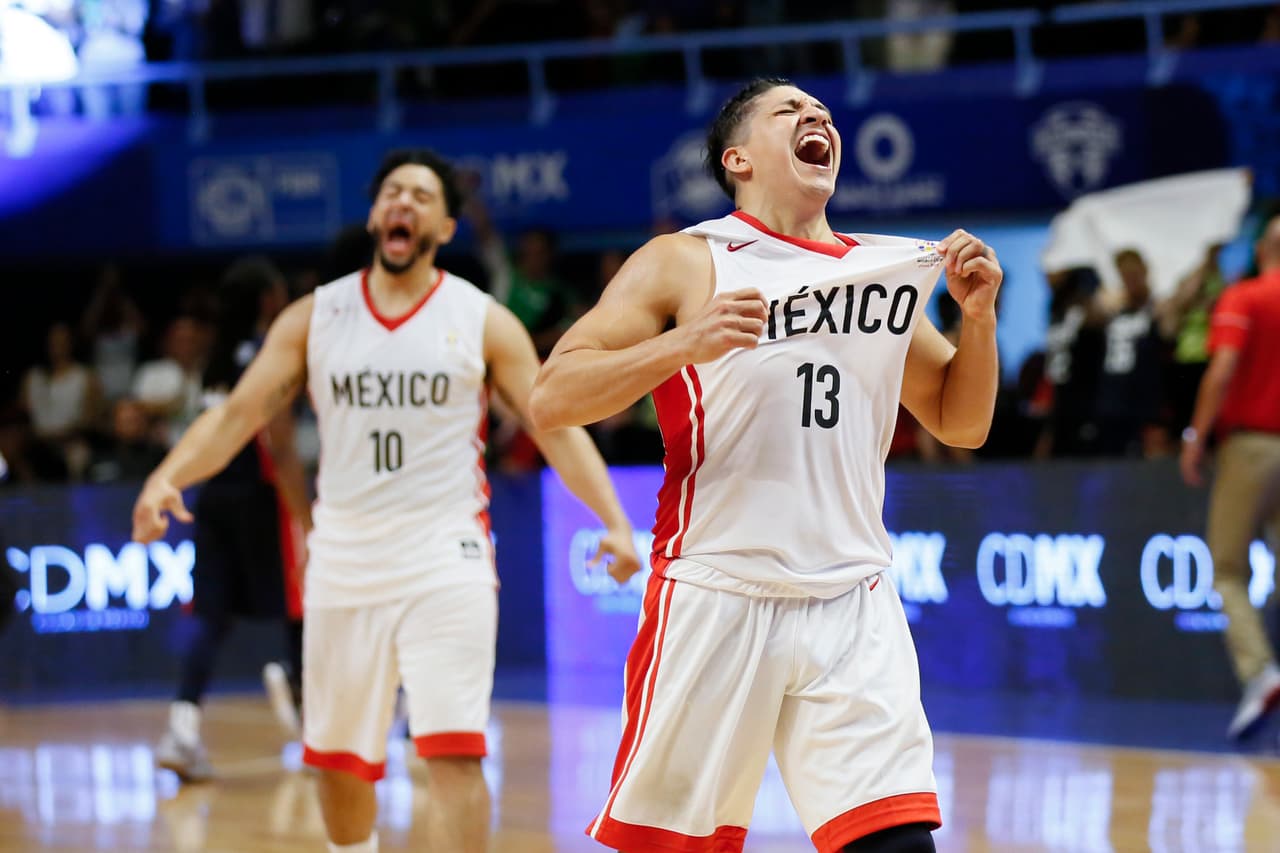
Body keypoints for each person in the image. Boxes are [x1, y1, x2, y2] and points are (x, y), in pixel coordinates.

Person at [530, 78, 1002, 853]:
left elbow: (963, 421)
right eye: (789, 110)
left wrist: (977, 321)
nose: (816, 117)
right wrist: (683, 343)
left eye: (823, 112)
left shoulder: (879, 272)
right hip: (717, 591)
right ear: (738, 158)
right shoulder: (686, 261)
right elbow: (552, 396)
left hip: (851, 599)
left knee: (896, 844)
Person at [132, 148, 640, 853]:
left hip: (447, 555)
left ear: (446, 227)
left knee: (455, 753)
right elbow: (238, 415)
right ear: (374, 216)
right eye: (393, 192)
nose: (404, 202)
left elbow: (552, 425)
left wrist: (613, 519)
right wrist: (168, 475)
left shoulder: (482, 319)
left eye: (422, 196)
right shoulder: (315, 317)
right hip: (345, 559)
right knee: (339, 766)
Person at [152, 256, 311, 783]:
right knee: (301, 606)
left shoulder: (215, 358)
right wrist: (305, 521)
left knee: (210, 618)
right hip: (260, 497)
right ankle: (313, 725)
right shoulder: (270, 354)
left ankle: (181, 729)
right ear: (269, 300)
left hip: (214, 497)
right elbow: (280, 444)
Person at [1180, 214, 1280, 742]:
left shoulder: (1246, 296)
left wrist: (1195, 436)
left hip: (1251, 447)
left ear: (1262, 249)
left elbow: (1221, 370)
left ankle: (1260, 672)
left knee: (1227, 569)